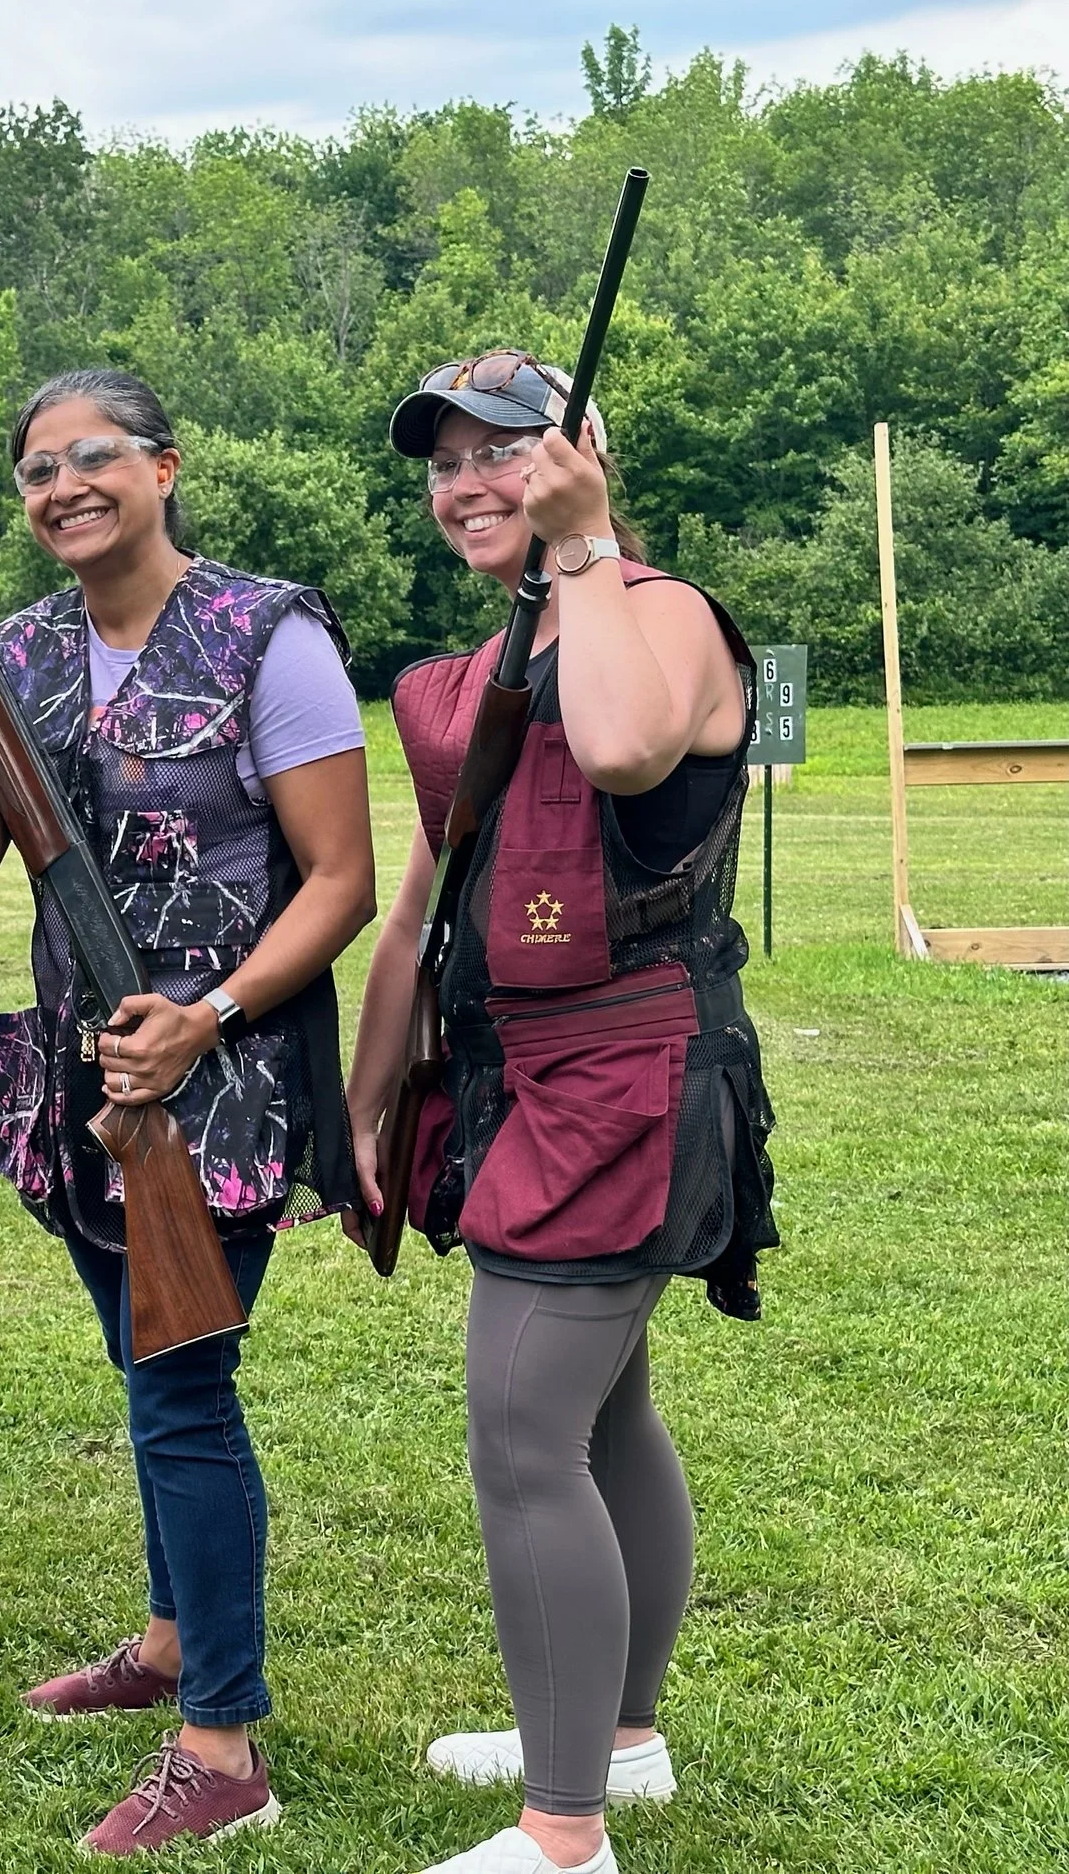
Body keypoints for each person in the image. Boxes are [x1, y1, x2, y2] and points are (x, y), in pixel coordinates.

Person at [0, 368, 375, 1855]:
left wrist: (207, 1016)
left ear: (166, 465)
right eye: (37, 470)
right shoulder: (21, 649)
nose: (62, 487)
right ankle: (172, 1638)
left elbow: (342, 879)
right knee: (140, 1362)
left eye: (92, 457)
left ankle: (222, 1743)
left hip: (223, 1079)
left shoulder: (267, 636)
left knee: (182, 1391)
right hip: (79, 1080)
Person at [344, 352, 779, 1874]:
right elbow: (422, 903)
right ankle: (618, 1740)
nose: (468, 482)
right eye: (445, 461)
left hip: (632, 1074)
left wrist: (586, 545)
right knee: (605, 1413)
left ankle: (564, 1830)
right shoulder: (496, 650)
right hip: (526, 1076)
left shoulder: (651, 610)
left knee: (527, 1427)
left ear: (577, 455)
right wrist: (369, 1091)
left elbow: (623, 749)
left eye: (501, 452)